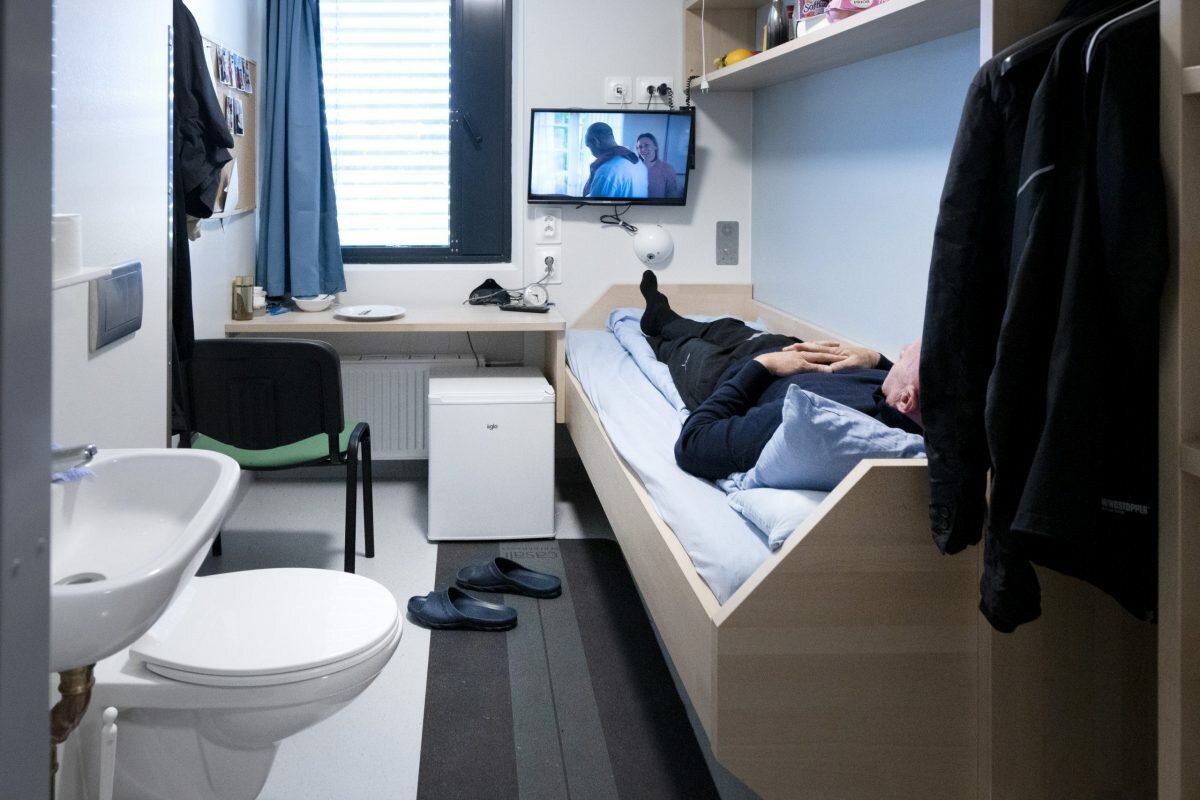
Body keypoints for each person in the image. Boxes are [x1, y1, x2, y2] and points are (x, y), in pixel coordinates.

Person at [638, 271, 922, 480]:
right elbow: (903, 394)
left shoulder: (811, 419)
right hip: (776, 345)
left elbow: (691, 445)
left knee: (680, 345)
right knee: (720, 325)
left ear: (906, 399)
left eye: (906, 356)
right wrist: (875, 358)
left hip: (732, 373)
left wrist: (764, 366)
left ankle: (658, 324)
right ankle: (665, 315)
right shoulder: (893, 395)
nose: (902, 348)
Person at [582, 122, 645, 198]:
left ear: (596, 142)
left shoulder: (606, 170)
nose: (591, 152)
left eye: (589, 146)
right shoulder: (638, 162)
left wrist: (592, 173)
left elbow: (591, 206)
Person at [636, 133, 680, 198]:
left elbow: (672, 195)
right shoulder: (634, 168)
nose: (642, 149)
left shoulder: (667, 169)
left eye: (646, 145)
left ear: (655, 146)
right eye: (640, 147)